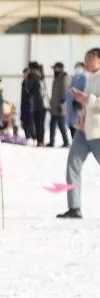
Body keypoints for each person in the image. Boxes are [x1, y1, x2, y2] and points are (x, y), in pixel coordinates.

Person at [59, 47, 100, 219]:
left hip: (97, 133)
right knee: (72, 166)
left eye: (90, 58)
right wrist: (81, 117)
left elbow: (93, 101)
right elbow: (87, 104)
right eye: (85, 58)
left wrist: (86, 98)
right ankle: (74, 207)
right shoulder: (89, 78)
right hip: (83, 131)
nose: (86, 62)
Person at [49, 62, 71, 148]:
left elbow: (65, 91)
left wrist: (62, 103)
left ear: (60, 68)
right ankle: (51, 142)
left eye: (55, 68)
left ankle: (66, 142)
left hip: (60, 106)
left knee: (61, 125)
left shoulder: (64, 78)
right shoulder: (56, 78)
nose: (54, 70)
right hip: (54, 106)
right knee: (52, 125)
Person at [68, 62, 87, 138]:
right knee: (71, 125)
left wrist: (80, 99)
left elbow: (85, 91)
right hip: (71, 104)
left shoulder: (85, 78)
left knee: (79, 124)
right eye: (76, 67)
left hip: (80, 105)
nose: (77, 69)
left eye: (79, 67)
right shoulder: (73, 78)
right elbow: (69, 89)